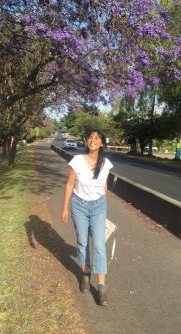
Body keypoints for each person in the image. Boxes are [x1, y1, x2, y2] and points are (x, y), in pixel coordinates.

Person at [61, 129, 113, 306]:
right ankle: (85, 274)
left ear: (101, 144)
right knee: (82, 242)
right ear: (87, 141)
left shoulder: (106, 164)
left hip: (98, 206)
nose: (93, 140)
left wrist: (103, 208)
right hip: (79, 206)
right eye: (91, 137)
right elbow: (69, 184)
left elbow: (104, 187)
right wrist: (65, 208)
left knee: (99, 245)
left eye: (97, 138)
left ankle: (101, 287)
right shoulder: (76, 161)